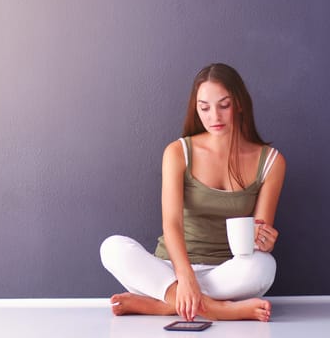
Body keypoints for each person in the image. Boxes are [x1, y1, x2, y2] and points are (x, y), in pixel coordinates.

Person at [100, 63, 286, 322]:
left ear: (240, 104)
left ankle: (165, 304)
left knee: (265, 266)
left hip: (225, 273)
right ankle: (216, 309)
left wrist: (264, 240)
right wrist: (185, 276)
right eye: (204, 107)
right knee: (112, 248)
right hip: (170, 270)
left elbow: (258, 234)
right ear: (196, 108)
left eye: (224, 105)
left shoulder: (271, 162)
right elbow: (172, 224)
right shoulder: (177, 152)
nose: (214, 117)